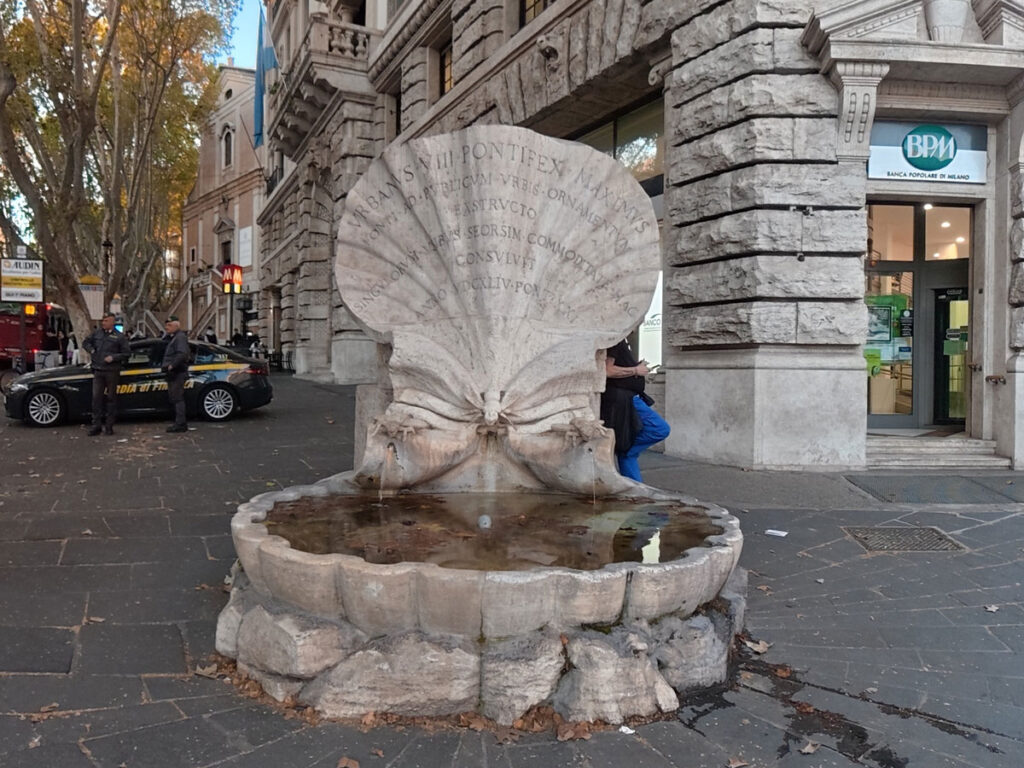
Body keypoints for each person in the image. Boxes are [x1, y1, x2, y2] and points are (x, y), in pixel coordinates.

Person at [600, 338, 670, 483]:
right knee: (660, 429)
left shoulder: (622, 341)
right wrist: (635, 370)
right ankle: (625, 450)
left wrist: (635, 367)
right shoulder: (615, 340)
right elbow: (607, 370)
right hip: (624, 399)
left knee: (635, 441)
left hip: (629, 397)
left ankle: (628, 459)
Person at [82, 312, 130, 435]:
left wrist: (113, 357)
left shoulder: (119, 337)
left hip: (112, 371)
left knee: (111, 399)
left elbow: (126, 353)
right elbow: (86, 342)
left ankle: (109, 426)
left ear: (113, 322)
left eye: (106, 321)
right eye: (103, 321)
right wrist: (91, 350)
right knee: (96, 399)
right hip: (98, 370)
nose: (104, 323)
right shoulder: (97, 333)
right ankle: (96, 425)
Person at [161, 315, 190, 433]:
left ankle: (180, 424)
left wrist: (172, 365)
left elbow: (182, 354)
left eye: (169, 325)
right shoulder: (173, 337)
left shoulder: (180, 338)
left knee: (177, 398)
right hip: (174, 372)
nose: (166, 327)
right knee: (174, 397)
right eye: (166, 325)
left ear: (177, 325)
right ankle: (179, 422)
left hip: (177, 372)